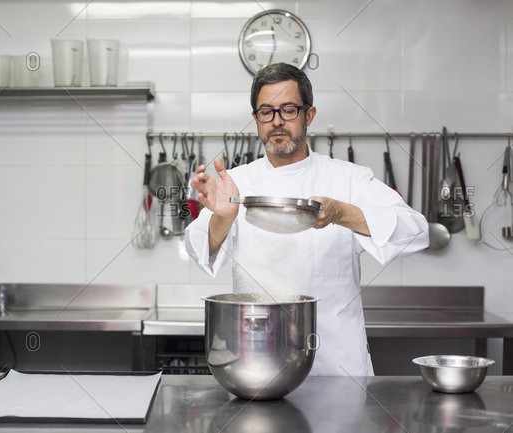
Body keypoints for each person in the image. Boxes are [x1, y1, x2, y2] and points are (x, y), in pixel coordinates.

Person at [184, 62, 429, 376]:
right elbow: (198, 248)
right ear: (255, 119)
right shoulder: (236, 183)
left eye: (288, 110)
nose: (276, 122)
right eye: (266, 111)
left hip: (338, 366)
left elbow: (417, 232)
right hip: (258, 367)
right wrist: (224, 217)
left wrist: (343, 213)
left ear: (308, 115)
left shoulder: (348, 179)